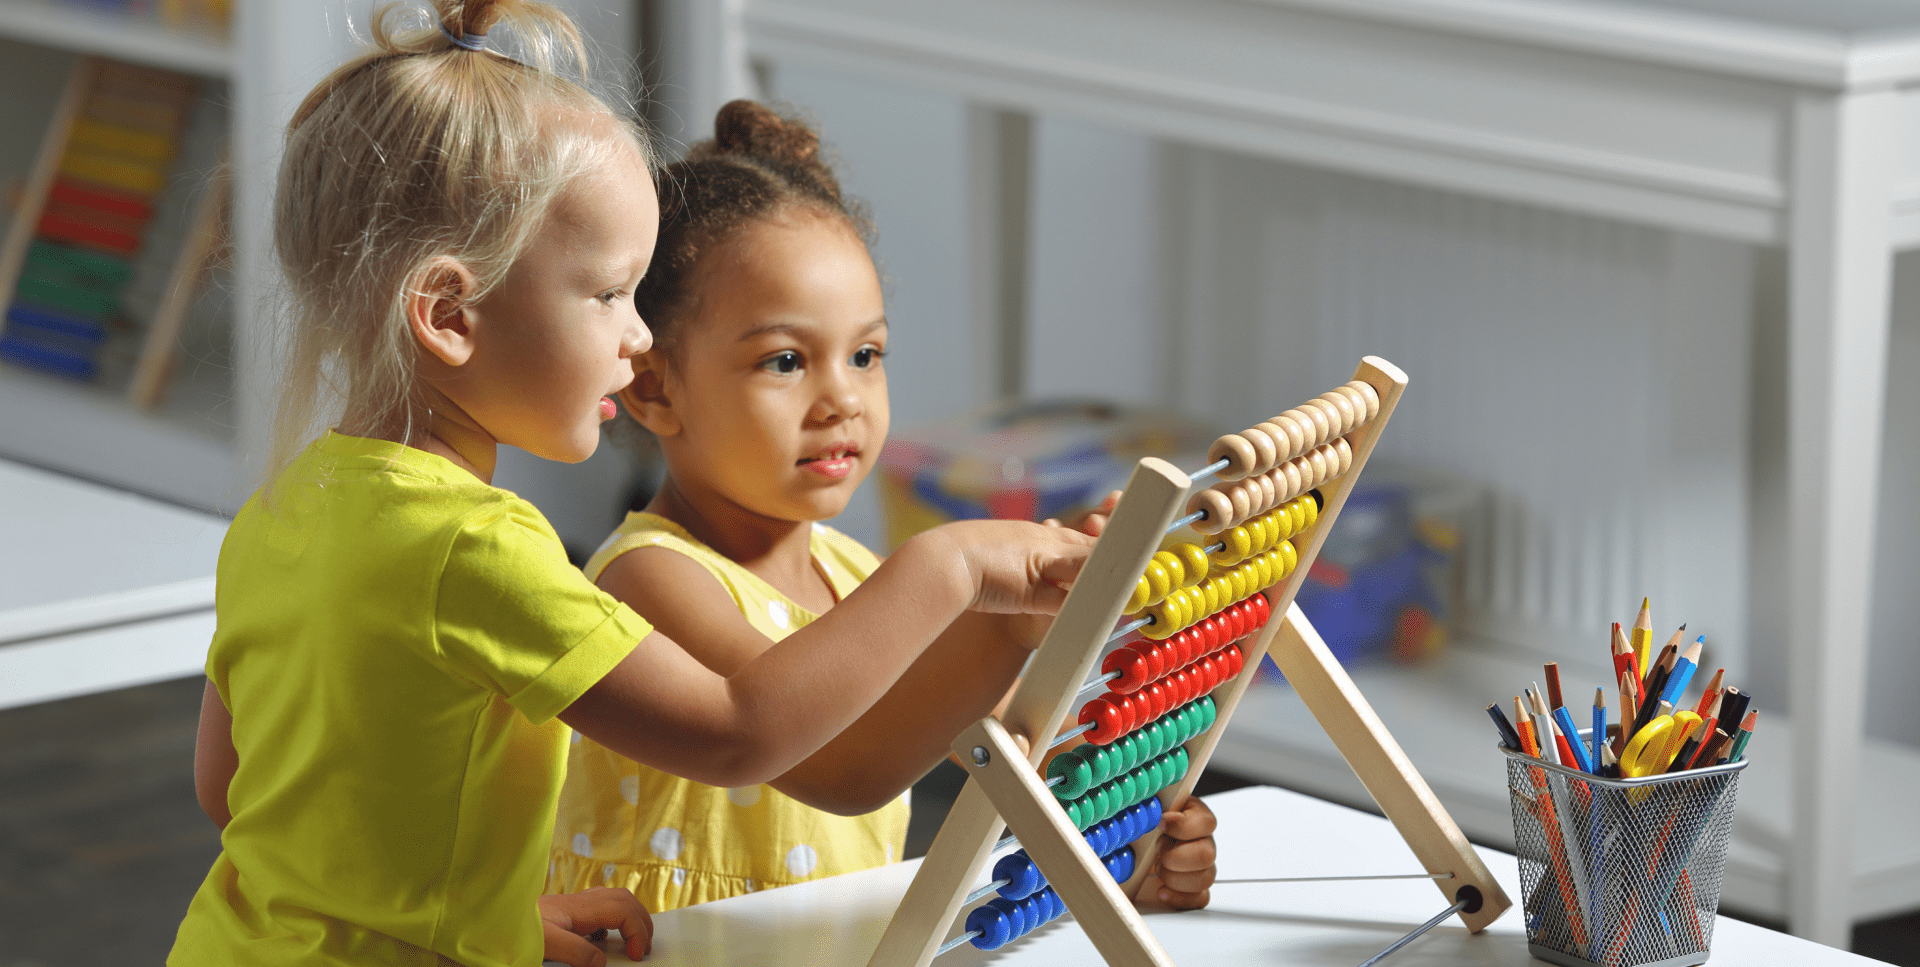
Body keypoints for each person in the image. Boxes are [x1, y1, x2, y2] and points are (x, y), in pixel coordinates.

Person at [169, 7, 1093, 967]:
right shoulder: (477, 548)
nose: (638, 336)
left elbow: (239, 785)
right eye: (610, 294)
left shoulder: (284, 508)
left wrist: (480, 913)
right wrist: (950, 563)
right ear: (449, 314)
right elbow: (740, 734)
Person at [547, 99, 1219, 917]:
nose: (843, 399)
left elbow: (1031, 767)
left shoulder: (856, 577)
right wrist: (970, 584)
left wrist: (1127, 845)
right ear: (654, 388)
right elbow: (844, 764)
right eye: (786, 360)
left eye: (866, 354)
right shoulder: (647, 581)